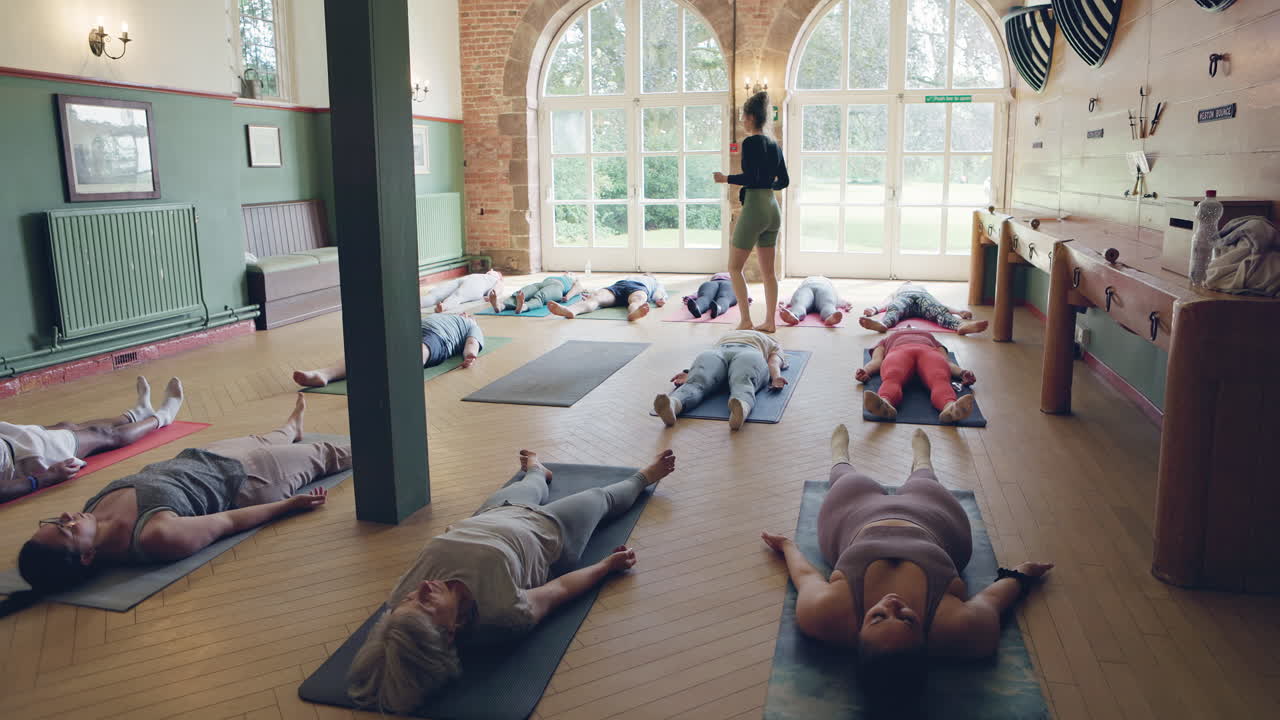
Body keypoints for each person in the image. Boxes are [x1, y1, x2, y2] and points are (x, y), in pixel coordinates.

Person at [345, 448, 677, 713]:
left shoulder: (401, 600)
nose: (421, 589)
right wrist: (606, 566)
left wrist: (407, 615)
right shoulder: (503, 614)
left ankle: (537, 470)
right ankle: (646, 475)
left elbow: (391, 647)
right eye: (425, 604)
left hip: (491, 513)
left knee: (529, 484)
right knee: (600, 498)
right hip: (551, 530)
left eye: (408, 601)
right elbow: (558, 590)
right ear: (449, 634)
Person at [761, 425, 1052, 672]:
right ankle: (922, 462)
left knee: (847, 480)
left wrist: (786, 545)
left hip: (855, 516)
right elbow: (994, 598)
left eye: (878, 616)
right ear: (925, 642)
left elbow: (806, 578)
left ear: (858, 633)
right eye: (907, 619)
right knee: (925, 481)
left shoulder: (824, 615)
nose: (893, 604)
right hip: (935, 520)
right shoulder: (963, 630)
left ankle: (840, 456)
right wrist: (1024, 574)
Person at [17, 395, 348, 593]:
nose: (65, 516)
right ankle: (394, 437)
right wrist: (289, 505)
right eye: (65, 529)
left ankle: (291, 429)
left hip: (201, 458)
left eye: (54, 520)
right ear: (87, 556)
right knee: (327, 452)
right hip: (250, 480)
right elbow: (228, 521)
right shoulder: (155, 536)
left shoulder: (91, 513)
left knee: (267, 438)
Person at [1, 377, 185, 503]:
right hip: (23, 458)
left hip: (10, 438)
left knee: (68, 426)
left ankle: (136, 414)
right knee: (103, 435)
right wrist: (43, 479)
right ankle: (163, 416)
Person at [714, 91, 789, 333]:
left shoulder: (750, 143)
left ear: (749, 117)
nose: (742, 122)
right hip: (772, 208)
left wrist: (726, 178)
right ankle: (769, 321)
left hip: (756, 207)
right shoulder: (774, 145)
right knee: (769, 272)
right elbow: (784, 180)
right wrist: (767, 187)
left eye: (743, 117)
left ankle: (746, 320)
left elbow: (750, 177)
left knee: (734, 267)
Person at [293, 312, 485, 388]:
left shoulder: (470, 324)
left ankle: (395, 377)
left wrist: (470, 356)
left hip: (438, 338)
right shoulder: (444, 314)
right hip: (410, 329)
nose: (466, 313)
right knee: (371, 350)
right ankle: (324, 374)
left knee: (422, 349)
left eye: (469, 315)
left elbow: (472, 342)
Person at [653, 329, 787, 431]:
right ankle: (740, 407)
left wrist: (690, 373)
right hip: (744, 352)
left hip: (721, 351)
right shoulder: (771, 341)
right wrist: (776, 377)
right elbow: (773, 363)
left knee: (697, 382)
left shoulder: (730, 335)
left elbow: (704, 367)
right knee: (742, 381)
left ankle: (674, 403)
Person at [856, 328, 977, 424]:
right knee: (892, 375)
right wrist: (865, 371)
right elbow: (877, 361)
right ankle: (884, 403)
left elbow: (947, 363)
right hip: (899, 352)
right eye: (905, 327)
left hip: (928, 352)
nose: (909, 326)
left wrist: (962, 373)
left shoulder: (932, 338)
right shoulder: (886, 340)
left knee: (940, 378)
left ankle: (951, 408)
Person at [859, 282, 989, 335]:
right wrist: (874, 309)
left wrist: (959, 312)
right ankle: (882, 324)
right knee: (895, 308)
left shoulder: (924, 291)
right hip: (905, 297)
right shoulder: (899, 290)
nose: (909, 282)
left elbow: (939, 305)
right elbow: (888, 302)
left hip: (923, 299)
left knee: (937, 311)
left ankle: (960, 326)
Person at [548, 273, 667, 321]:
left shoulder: (654, 282)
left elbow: (659, 293)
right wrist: (593, 293)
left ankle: (634, 313)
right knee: (596, 298)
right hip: (618, 286)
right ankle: (571, 310)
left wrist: (659, 299)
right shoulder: (630, 277)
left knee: (637, 300)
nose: (646, 274)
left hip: (639, 288)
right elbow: (602, 289)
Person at [487, 274, 581, 315]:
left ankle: (523, 306)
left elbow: (577, 289)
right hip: (541, 284)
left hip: (557, 288)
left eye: (572, 274)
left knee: (541, 296)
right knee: (523, 292)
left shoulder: (575, 282)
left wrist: (567, 297)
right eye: (569, 273)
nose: (570, 273)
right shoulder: (557, 276)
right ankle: (501, 306)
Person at [779, 276, 852, 327]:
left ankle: (831, 316)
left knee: (827, 303)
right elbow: (837, 297)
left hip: (817, 288)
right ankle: (794, 315)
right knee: (800, 303)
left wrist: (845, 303)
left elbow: (836, 298)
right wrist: (845, 303)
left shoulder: (808, 280)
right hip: (812, 288)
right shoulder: (827, 282)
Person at [421, 270, 503, 313]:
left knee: (459, 295)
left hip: (477, 283)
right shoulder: (482, 275)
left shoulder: (497, 280)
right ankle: (420, 302)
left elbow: (496, 291)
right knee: (436, 294)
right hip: (467, 278)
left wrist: (491, 296)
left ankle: (444, 306)